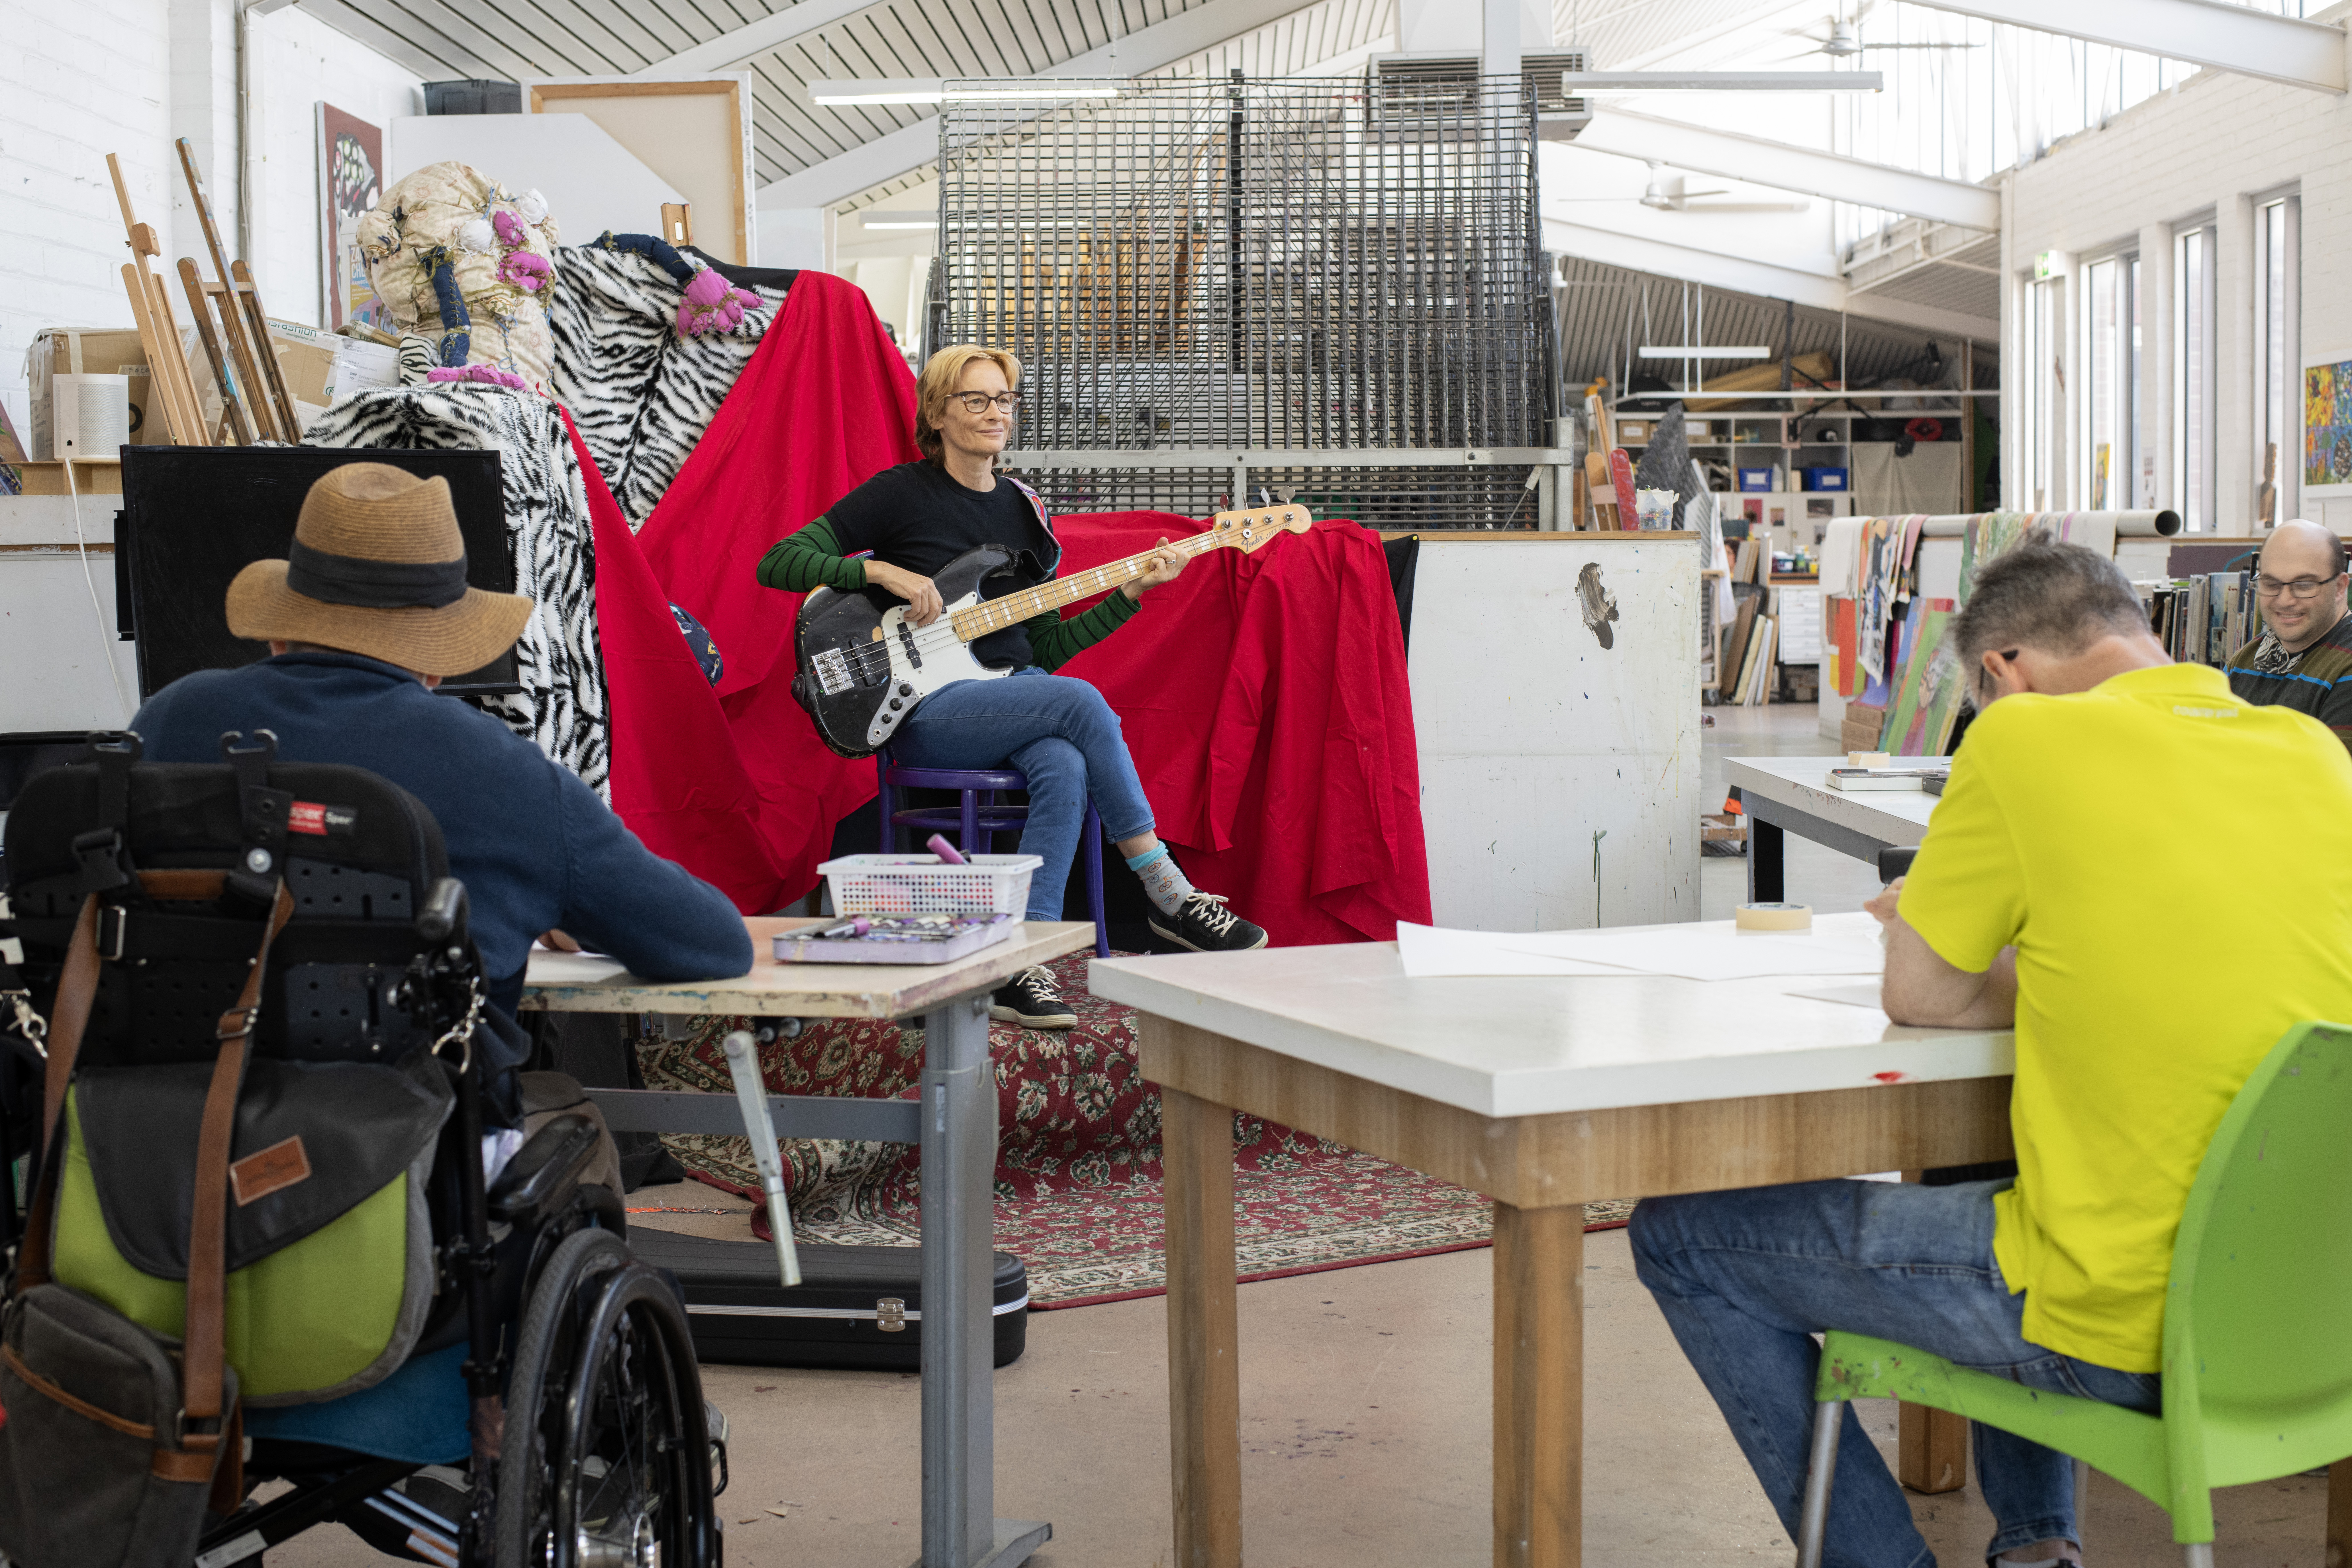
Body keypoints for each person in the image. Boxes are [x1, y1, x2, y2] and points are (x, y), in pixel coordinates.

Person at [1630, 540, 2352, 1568]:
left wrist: (1956, 934)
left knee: (1680, 1237)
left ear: (2003, 670)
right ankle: (2035, 1547)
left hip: (2116, 1325)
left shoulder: (2021, 741)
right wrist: (2066, 962)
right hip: (2305, 1320)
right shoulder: (2312, 754)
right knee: (2002, 1166)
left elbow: (1922, 996)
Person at [129, 461, 754, 1170]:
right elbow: (711, 943)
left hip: (165, 1146)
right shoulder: (505, 773)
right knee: (578, 1125)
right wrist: (548, 893)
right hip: (416, 1165)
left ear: (280, 630)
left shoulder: (168, 720)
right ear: (437, 658)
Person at [758, 344, 1267, 1031]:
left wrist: (1130, 595)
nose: (994, 412)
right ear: (937, 413)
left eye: (1004, 399)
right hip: (921, 709)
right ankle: (1167, 889)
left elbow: (1044, 650)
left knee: (1063, 759)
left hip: (1003, 694)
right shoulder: (900, 493)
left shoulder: (1028, 511)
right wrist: (879, 573)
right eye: (975, 399)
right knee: (1080, 702)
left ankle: (1022, 960)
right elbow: (779, 561)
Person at [2223, 517, 2352, 749]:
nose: (2285, 601)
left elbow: (2333, 769)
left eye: (2304, 585)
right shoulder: (2245, 660)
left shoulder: (2346, 667)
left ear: (2340, 588)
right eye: (2271, 584)